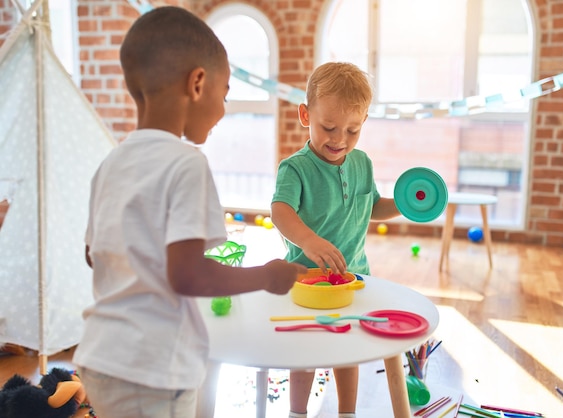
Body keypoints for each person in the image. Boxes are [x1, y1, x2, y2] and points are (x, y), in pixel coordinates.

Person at [72, 6, 306, 418]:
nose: (223, 109)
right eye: (226, 93)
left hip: (100, 357)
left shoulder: (111, 162)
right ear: (198, 83)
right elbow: (187, 275)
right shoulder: (186, 163)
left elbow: (94, 254)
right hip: (152, 368)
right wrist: (266, 276)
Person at [271, 62, 401, 418]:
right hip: (307, 280)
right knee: (307, 351)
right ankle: (297, 413)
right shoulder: (295, 168)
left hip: (353, 276)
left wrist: (404, 203)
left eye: (353, 130)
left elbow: (373, 206)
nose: (339, 139)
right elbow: (280, 212)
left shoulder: (362, 164)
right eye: (328, 127)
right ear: (305, 115)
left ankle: (347, 413)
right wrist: (309, 241)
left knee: (347, 350)